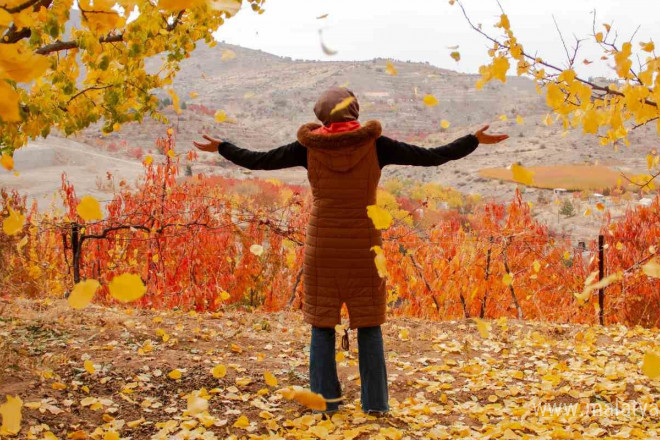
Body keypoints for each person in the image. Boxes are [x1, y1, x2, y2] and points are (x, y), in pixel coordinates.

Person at [193, 87, 508, 414]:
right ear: (354, 111)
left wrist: (223, 148)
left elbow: (258, 161)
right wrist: (472, 140)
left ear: (321, 115)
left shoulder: (307, 148)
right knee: (370, 324)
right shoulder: (376, 145)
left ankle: (326, 403)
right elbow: (431, 155)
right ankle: (376, 405)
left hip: (322, 246)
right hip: (364, 245)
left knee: (322, 323)